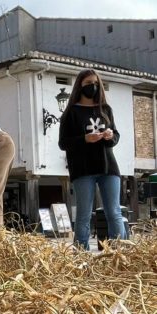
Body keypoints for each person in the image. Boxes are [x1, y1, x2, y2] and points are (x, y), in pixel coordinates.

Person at [58, 68, 126, 250]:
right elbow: (63, 143)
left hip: (108, 167)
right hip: (83, 169)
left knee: (114, 212)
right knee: (84, 214)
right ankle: (81, 255)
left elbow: (115, 138)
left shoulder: (106, 110)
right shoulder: (71, 112)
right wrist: (84, 139)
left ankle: (119, 254)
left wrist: (110, 135)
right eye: (89, 84)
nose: (93, 87)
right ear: (80, 86)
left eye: (96, 84)